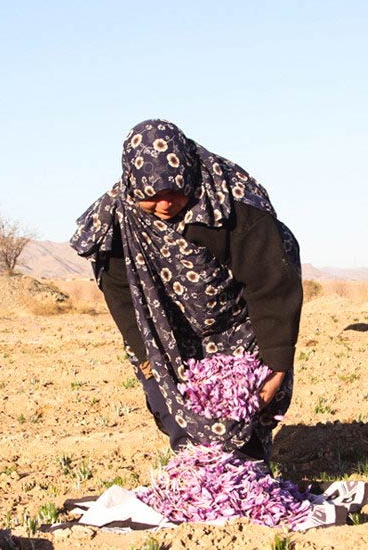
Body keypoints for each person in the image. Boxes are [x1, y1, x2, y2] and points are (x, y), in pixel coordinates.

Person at [70, 119, 302, 462]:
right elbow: (120, 291)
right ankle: (193, 470)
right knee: (170, 402)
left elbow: (271, 284)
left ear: (189, 176)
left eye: (174, 192)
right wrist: (146, 357)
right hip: (164, 324)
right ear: (134, 186)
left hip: (237, 322)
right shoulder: (119, 218)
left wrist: (276, 362)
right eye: (152, 196)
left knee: (245, 405)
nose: (164, 205)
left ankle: (247, 473)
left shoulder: (234, 204)